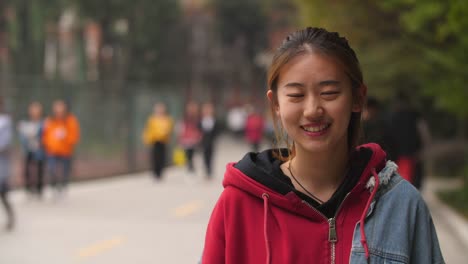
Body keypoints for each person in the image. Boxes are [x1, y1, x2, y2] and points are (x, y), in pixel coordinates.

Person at [202, 27, 444, 263]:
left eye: (329, 93)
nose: (312, 110)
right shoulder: (237, 206)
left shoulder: (400, 205)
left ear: (358, 98)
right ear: (275, 104)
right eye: (296, 96)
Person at [42, 100, 80, 195]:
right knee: (51, 169)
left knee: (65, 171)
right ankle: (54, 186)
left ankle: (63, 186)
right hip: (52, 151)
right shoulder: (50, 120)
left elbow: (74, 135)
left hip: (65, 151)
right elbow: (45, 135)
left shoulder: (70, 120)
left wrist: (65, 138)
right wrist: (48, 145)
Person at [17, 101, 46, 198]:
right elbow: (22, 136)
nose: (34, 112)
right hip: (27, 148)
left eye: (36, 109)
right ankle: (28, 188)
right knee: (27, 169)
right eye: (33, 109)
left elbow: (45, 135)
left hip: (39, 148)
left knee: (40, 169)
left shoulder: (44, 122)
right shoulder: (25, 122)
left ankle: (39, 189)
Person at [142, 102, 173, 180]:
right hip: (154, 140)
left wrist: (165, 133)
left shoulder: (167, 119)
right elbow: (148, 130)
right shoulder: (152, 119)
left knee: (162, 157)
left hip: (163, 140)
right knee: (155, 157)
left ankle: (160, 172)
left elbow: (169, 129)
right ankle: (155, 172)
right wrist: (147, 138)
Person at [0, 98, 14, 230]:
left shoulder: (5, 122)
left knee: (3, 193)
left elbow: (5, 142)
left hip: (1, 164)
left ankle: (10, 217)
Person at [177, 101, 202, 176]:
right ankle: (190, 167)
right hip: (186, 140)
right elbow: (181, 128)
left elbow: (200, 129)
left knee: (193, 154)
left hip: (194, 140)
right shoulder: (184, 118)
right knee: (188, 155)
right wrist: (180, 138)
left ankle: (192, 168)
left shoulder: (198, 118)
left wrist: (199, 137)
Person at [199, 102, 219, 179]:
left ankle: (210, 171)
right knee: (204, 156)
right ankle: (206, 170)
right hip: (203, 141)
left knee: (211, 156)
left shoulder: (214, 120)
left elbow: (217, 131)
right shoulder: (201, 120)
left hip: (211, 141)